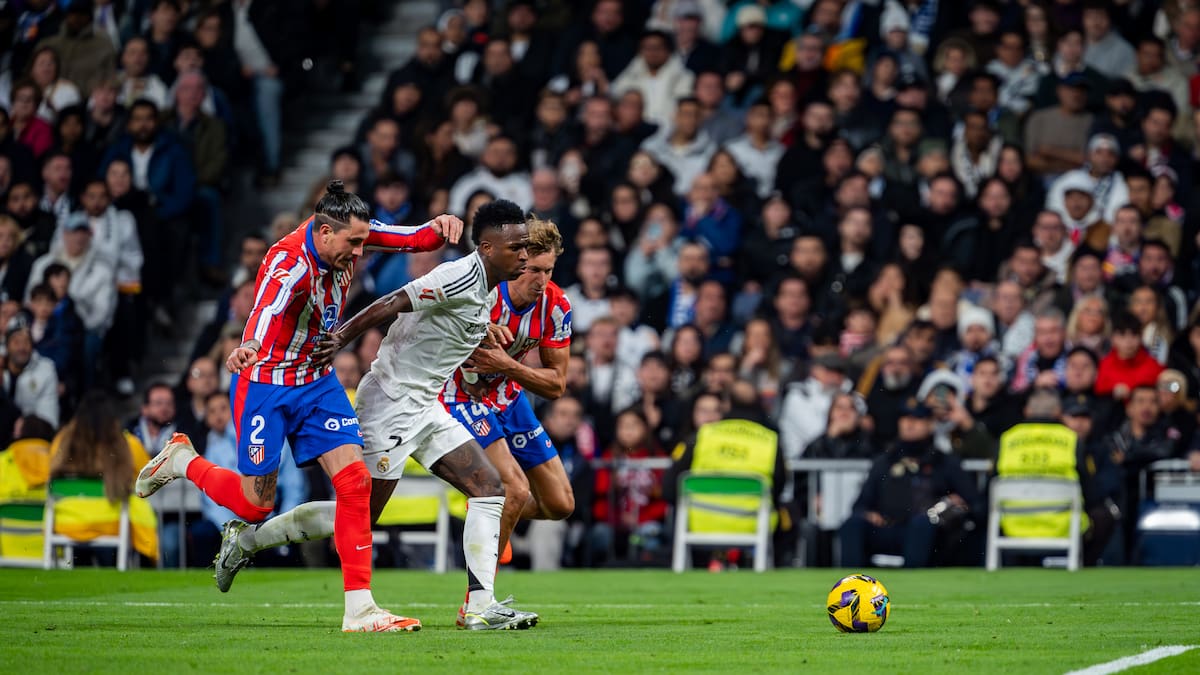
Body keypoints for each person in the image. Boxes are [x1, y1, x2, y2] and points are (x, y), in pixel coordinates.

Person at [133, 181, 462, 633]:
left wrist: (441, 227)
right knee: (254, 506)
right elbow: (265, 310)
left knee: (355, 484)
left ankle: (360, 610)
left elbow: (411, 238)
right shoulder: (289, 264)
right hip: (267, 386)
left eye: (363, 241)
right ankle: (183, 461)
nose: (360, 252)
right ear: (324, 234)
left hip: (317, 381)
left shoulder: (350, 232)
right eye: (353, 245)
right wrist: (248, 344)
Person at [202, 198, 538, 631]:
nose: (525, 258)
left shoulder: (485, 286)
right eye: (518, 249)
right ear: (489, 248)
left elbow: (437, 312)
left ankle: (479, 606)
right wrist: (341, 337)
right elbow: (393, 301)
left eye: (528, 249)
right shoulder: (458, 277)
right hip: (390, 405)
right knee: (357, 514)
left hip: (425, 405)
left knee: (489, 485)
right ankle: (248, 540)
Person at [440, 217, 575, 623]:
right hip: (460, 395)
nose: (540, 279)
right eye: (533, 270)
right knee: (512, 489)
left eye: (548, 270)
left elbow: (556, 385)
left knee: (559, 504)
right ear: (517, 262)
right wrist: (481, 343)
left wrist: (504, 365)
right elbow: (441, 347)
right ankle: (477, 604)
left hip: (509, 396)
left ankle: (495, 520)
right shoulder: (482, 293)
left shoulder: (557, 306)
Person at [839, 397, 980, 568]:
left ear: (930, 424)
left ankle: (914, 583)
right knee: (852, 525)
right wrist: (868, 514)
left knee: (921, 526)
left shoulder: (944, 462)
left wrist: (955, 506)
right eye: (905, 418)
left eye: (917, 419)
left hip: (929, 533)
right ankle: (853, 582)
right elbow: (860, 505)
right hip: (888, 527)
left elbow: (976, 504)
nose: (909, 424)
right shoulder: (885, 461)